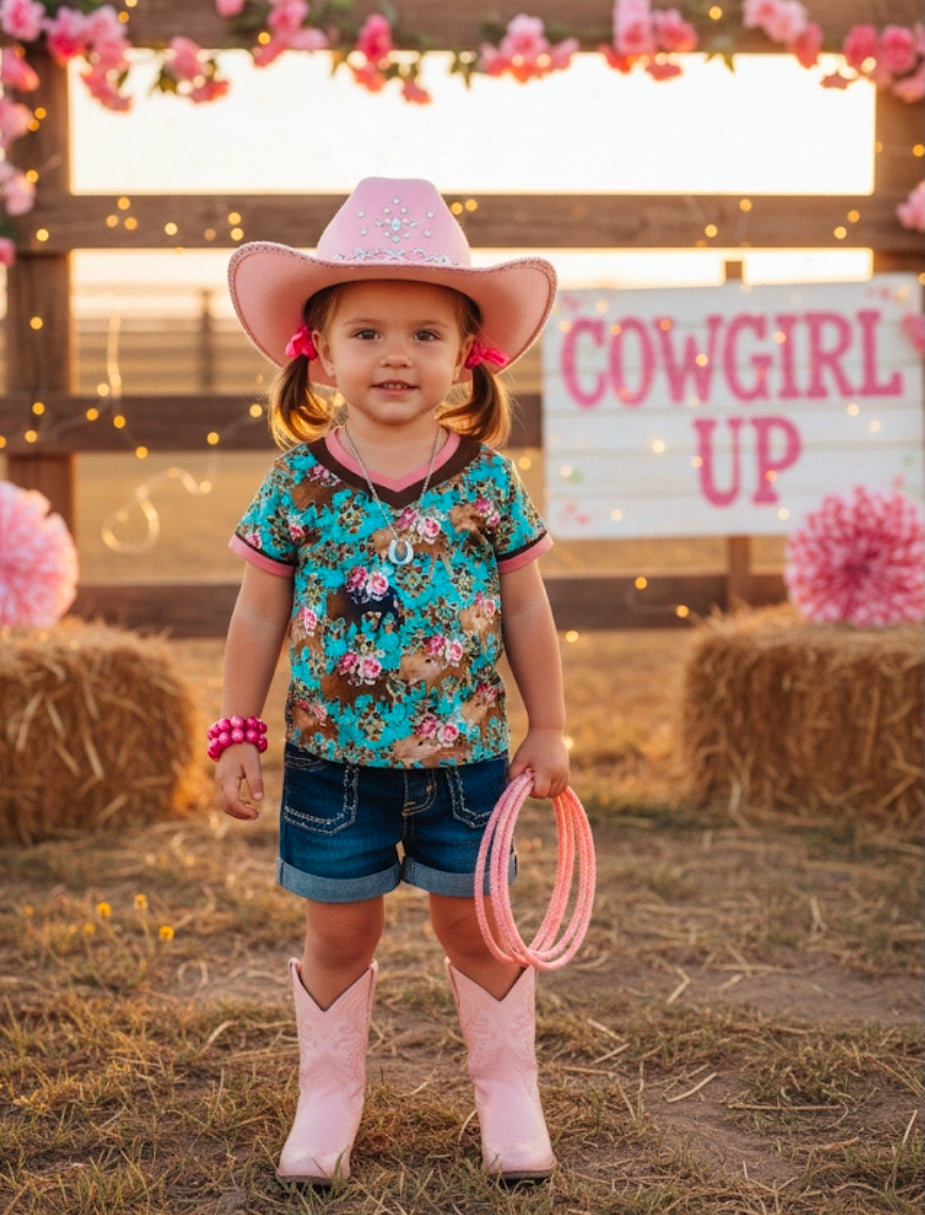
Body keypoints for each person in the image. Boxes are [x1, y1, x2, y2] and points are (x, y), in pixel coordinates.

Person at [213, 177, 569, 1187]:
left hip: (468, 764)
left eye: (423, 332)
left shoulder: (486, 481)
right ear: (319, 352)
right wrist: (237, 726)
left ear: (466, 355)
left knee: (475, 928)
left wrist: (550, 727)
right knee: (340, 931)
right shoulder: (300, 481)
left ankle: (508, 1096)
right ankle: (327, 1099)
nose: (396, 355)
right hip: (333, 766)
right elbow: (258, 612)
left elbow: (528, 611)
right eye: (366, 332)